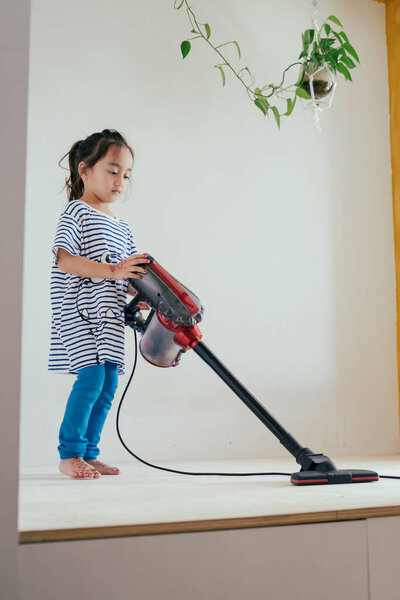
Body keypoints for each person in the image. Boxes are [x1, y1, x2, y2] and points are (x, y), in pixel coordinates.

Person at [48, 128, 150, 480]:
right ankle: (70, 454)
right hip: (77, 313)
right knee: (90, 378)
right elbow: (65, 260)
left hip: (108, 318)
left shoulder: (123, 228)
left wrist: (138, 297)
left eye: (126, 174)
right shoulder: (76, 213)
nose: (120, 180)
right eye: (112, 170)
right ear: (84, 169)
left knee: (107, 383)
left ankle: (89, 453)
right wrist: (113, 270)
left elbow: (126, 276)